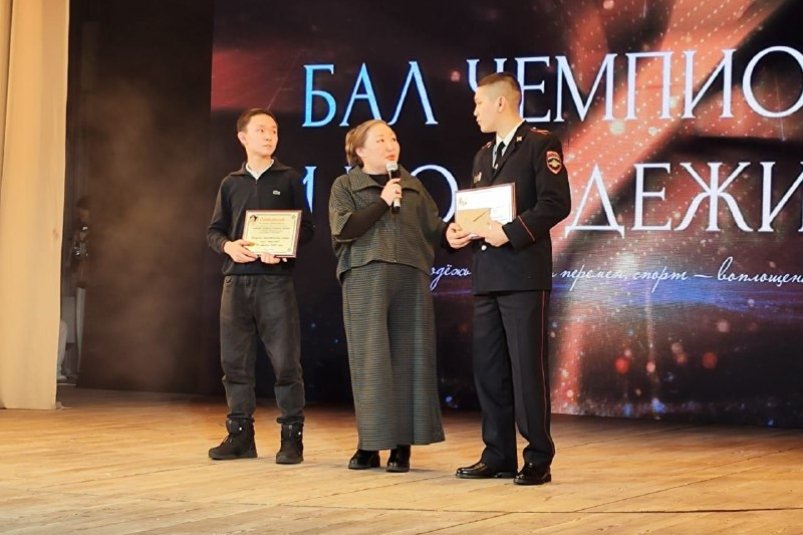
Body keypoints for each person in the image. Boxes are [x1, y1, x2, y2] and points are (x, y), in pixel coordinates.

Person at [447, 73, 571, 485]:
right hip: (487, 275)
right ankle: (498, 453)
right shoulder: (483, 156)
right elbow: (478, 212)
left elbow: (556, 203)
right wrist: (457, 231)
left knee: (526, 369)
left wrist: (512, 232)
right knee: (490, 369)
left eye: (479, 103)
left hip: (522, 273)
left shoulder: (539, 144)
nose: (474, 111)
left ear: (501, 102)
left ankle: (537, 456)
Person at [329, 119, 446, 473]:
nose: (390, 144)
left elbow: (434, 228)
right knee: (371, 361)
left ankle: (401, 445)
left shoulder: (412, 185)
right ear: (360, 150)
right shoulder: (346, 185)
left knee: (410, 359)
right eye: (380, 139)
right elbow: (344, 228)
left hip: (410, 275)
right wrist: (382, 202)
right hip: (366, 276)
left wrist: (455, 234)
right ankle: (369, 444)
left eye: (393, 138)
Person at [207, 108, 314, 464]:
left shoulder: (289, 178)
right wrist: (229, 247)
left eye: (274, 131)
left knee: (285, 362)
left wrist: (282, 250)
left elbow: (307, 229)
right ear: (243, 137)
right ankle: (240, 435)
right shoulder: (230, 183)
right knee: (234, 362)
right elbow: (214, 231)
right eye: (262, 130)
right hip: (236, 281)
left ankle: (291, 438)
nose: (269, 136)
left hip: (274, 282)